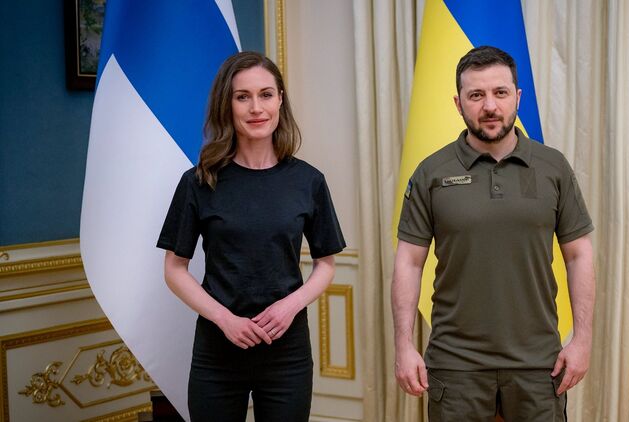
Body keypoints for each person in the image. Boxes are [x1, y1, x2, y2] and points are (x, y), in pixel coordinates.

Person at [392, 46, 595, 421]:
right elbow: (409, 261)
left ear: (517, 97)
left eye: (500, 92)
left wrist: (582, 340)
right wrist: (403, 346)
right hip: (456, 365)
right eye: (476, 95)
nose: (489, 106)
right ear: (458, 104)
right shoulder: (431, 172)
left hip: (538, 363)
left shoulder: (553, 167)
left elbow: (579, 255)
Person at [157, 51, 346, 422]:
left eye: (266, 95)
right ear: (226, 105)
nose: (256, 108)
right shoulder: (198, 182)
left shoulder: (308, 181)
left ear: (280, 101)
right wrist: (224, 319)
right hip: (217, 352)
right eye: (242, 97)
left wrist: (290, 306)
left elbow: (326, 264)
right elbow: (174, 269)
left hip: (287, 353)